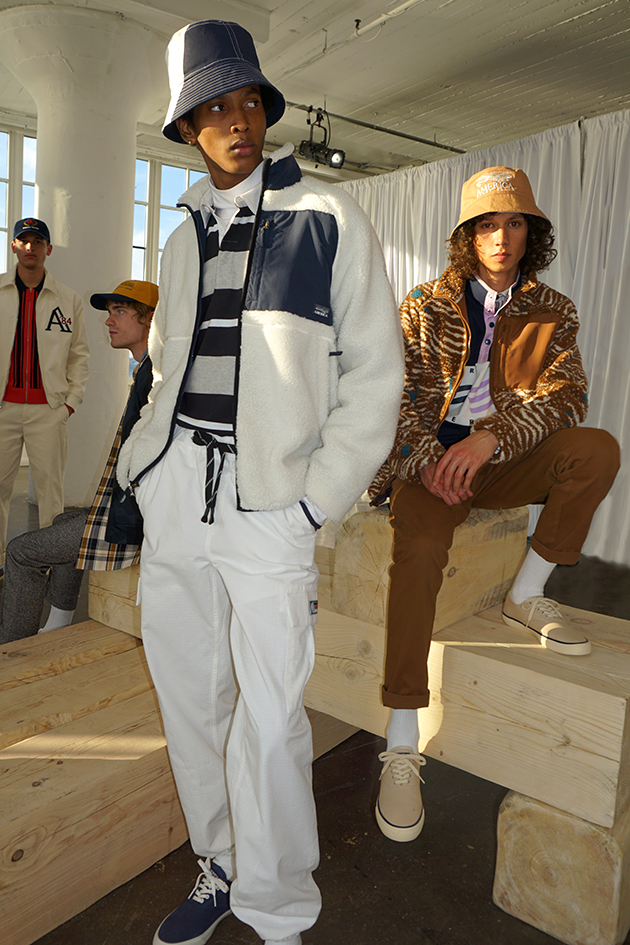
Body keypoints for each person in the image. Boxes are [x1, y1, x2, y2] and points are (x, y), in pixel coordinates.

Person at [116, 19, 403, 945]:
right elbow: (168, 366)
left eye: (250, 103)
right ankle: (221, 862)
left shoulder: (328, 218)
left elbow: (376, 374)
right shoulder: (182, 239)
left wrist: (317, 498)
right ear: (187, 127)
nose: (238, 121)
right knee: (191, 699)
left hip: (272, 501)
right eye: (215, 108)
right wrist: (141, 468)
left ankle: (278, 907)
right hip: (178, 491)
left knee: (272, 712)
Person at [369, 165, 620, 844]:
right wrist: (429, 461)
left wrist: (491, 439)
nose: (502, 237)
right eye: (487, 224)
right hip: (430, 460)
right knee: (421, 549)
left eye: (514, 223)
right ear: (468, 236)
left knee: (597, 449)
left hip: (501, 457)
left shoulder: (552, 309)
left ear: (531, 233)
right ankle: (401, 736)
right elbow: (395, 397)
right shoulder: (424, 304)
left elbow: (566, 398)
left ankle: (527, 593)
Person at [0, 280, 157, 645]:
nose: (108, 321)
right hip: (131, 508)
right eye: (110, 312)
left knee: (21, 552)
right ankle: (59, 622)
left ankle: (13, 650)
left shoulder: (154, 377)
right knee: (62, 522)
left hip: (136, 519)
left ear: (150, 320)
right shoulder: (149, 369)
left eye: (120, 312)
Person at [0, 217, 89, 569]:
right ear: (13, 246)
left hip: (49, 411)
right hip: (3, 409)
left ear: (48, 249)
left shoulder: (67, 299)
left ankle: (49, 566)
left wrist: (69, 404)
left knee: (51, 493)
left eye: (38, 242)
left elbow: (79, 355)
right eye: (24, 241)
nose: (31, 247)